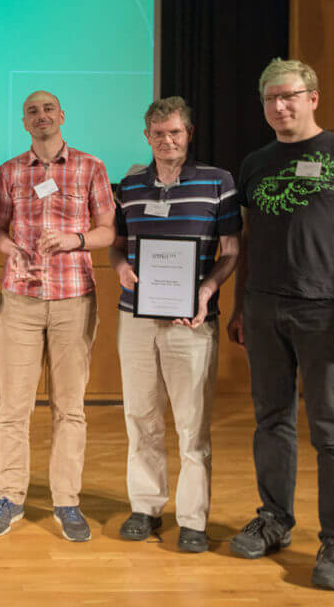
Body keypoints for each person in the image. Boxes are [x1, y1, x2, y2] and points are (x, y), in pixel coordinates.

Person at [227, 58, 334, 591]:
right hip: (264, 309)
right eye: (271, 99)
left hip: (327, 314)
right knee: (271, 421)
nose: (280, 106)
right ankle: (275, 519)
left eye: (290, 96)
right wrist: (238, 307)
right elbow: (248, 242)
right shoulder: (255, 162)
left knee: (333, 433)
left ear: (313, 97)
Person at [109, 97, 241, 552]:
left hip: (192, 319)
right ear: (147, 136)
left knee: (192, 425)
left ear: (188, 136)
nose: (167, 141)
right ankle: (145, 507)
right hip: (136, 318)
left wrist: (206, 291)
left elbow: (231, 250)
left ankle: (192, 519)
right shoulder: (129, 185)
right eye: (158, 133)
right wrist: (121, 269)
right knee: (141, 417)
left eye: (175, 133)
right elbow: (118, 245)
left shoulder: (217, 183)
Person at [0, 90, 115, 542]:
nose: (41, 117)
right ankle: (11, 496)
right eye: (32, 112)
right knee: (12, 408)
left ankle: (66, 501)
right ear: (24, 123)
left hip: (75, 299)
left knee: (69, 407)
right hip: (20, 298)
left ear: (62, 115)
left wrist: (76, 240)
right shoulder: (10, 172)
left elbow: (108, 231)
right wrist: (11, 251)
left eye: (48, 110)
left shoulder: (91, 167)